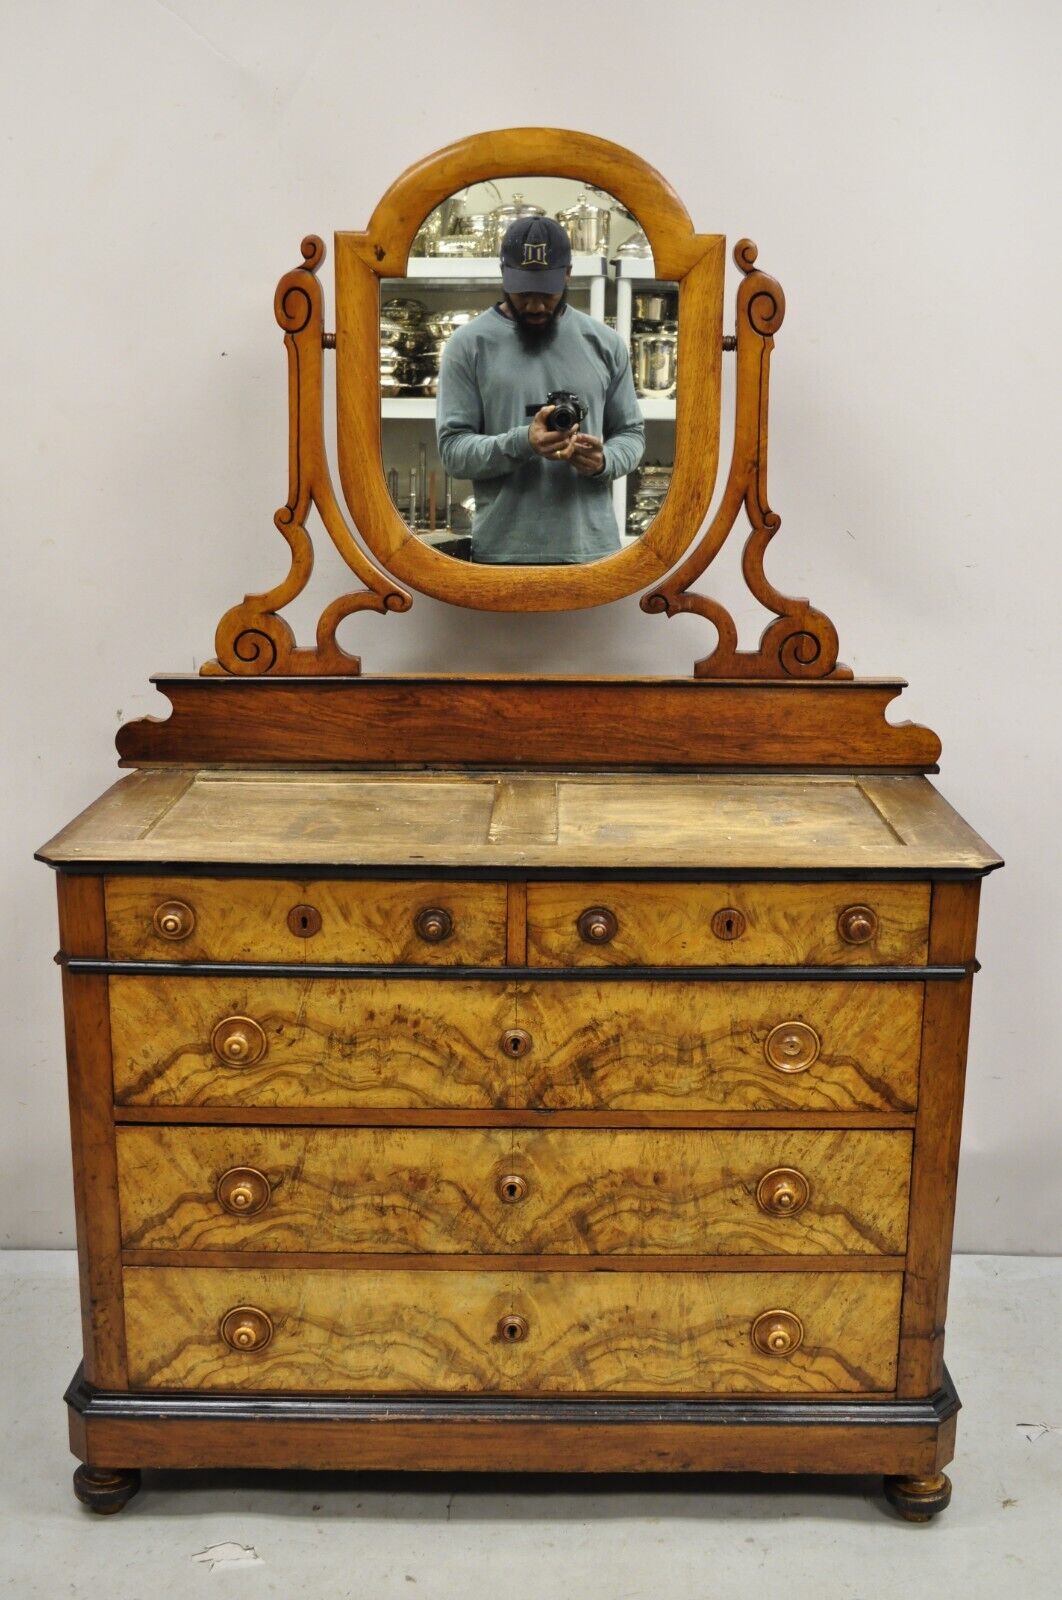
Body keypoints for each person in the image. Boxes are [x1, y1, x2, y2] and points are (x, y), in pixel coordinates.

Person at [435, 214, 644, 564]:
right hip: (502, 556)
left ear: (567, 275)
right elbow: (453, 452)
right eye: (523, 291)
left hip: (593, 555)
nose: (535, 305)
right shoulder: (468, 345)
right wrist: (523, 442)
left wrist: (603, 460)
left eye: (547, 292)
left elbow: (632, 434)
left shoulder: (605, 344)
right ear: (503, 274)